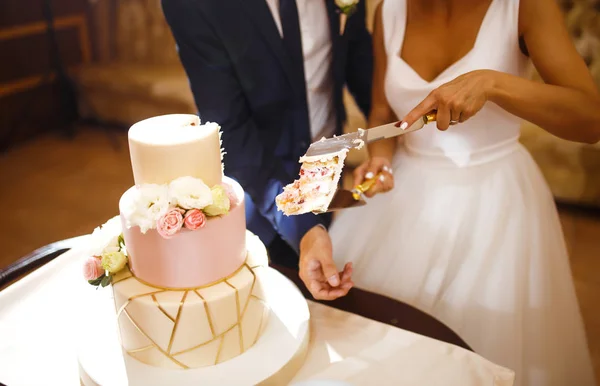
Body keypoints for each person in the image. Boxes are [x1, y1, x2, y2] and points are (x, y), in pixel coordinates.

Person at [327, 0, 600, 385]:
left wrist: (493, 82)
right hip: (404, 203)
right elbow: (383, 112)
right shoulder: (388, 10)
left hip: (495, 203)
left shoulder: (524, 7)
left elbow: (591, 119)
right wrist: (382, 158)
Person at [161, 0, 370, 297]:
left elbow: (360, 61)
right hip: (260, 194)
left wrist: (390, 146)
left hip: (328, 173)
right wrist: (302, 226)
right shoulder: (195, 5)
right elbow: (231, 131)